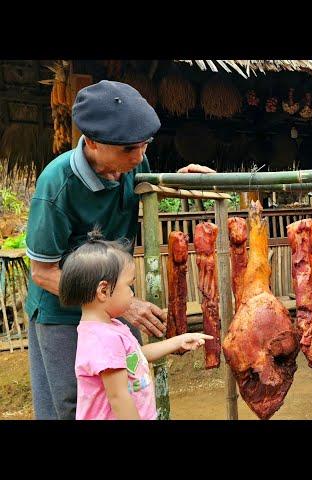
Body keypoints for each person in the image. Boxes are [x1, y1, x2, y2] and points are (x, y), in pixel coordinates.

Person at [25, 80, 215, 419]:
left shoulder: (132, 163)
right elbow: (42, 272)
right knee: (73, 404)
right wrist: (122, 305)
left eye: (144, 146)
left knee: (130, 378)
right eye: (130, 149)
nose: (140, 157)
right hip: (61, 312)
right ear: (94, 143)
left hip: (110, 302)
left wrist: (182, 184)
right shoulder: (55, 186)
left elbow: (148, 188)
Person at [58, 231, 211, 420]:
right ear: (103, 291)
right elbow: (118, 397)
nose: (132, 293)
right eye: (129, 285)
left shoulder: (109, 328)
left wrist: (178, 341)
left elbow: (136, 357)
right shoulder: (104, 339)